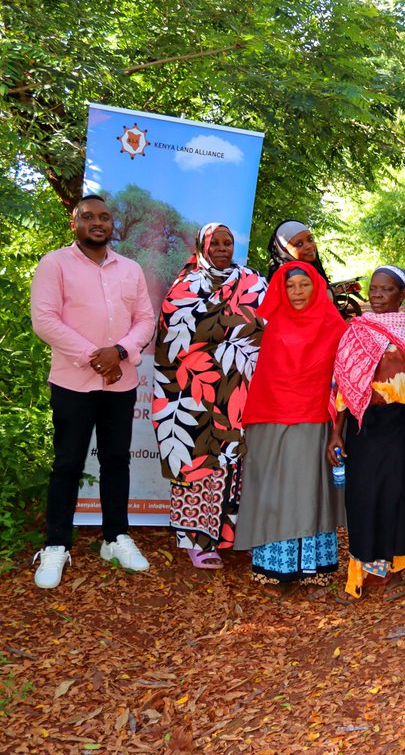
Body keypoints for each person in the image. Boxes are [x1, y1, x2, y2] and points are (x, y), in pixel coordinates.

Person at [30, 194, 156, 589]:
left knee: (116, 460)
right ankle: (56, 545)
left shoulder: (130, 269)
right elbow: (44, 320)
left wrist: (118, 352)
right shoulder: (55, 264)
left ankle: (115, 537)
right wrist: (93, 356)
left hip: (121, 383)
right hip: (73, 382)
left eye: (104, 217)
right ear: (75, 224)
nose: (97, 222)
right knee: (67, 463)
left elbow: (145, 319)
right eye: (88, 217)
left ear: (111, 224)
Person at [153, 223, 267, 569]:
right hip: (193, 393)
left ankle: (237, 535)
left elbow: (267, 327)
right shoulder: (184, 286)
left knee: (238, 463)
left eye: (227, 242)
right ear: (202, 246)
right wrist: (228, 329)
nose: (221, 248)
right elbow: (172, 341)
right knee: (199, 462)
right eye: (214, 243)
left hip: (240, 392)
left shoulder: (253, 281)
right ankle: (198, 540)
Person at [328, 266, 405, 602]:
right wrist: (336, 433)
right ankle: (360, 574)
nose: (377, 296)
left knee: (397, 496)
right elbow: (341, 386)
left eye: (386, 290)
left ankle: (393, 572)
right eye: (373, 289)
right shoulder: (355, 331)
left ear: (402, 294)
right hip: (363, 427)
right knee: (363, 498)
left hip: (402, 425)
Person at [234, 262, 346, 597]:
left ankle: (315, 571)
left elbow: (342, 379)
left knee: (310, 488)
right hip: (272, 417)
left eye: (304, 285)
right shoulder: (276, 324)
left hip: (315, 418)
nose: (297, 293)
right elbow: (267, 375)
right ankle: (274, 571)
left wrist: (337, 427)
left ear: (316, 287)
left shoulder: (334, 325)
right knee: (277, 489)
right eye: (291, 286)